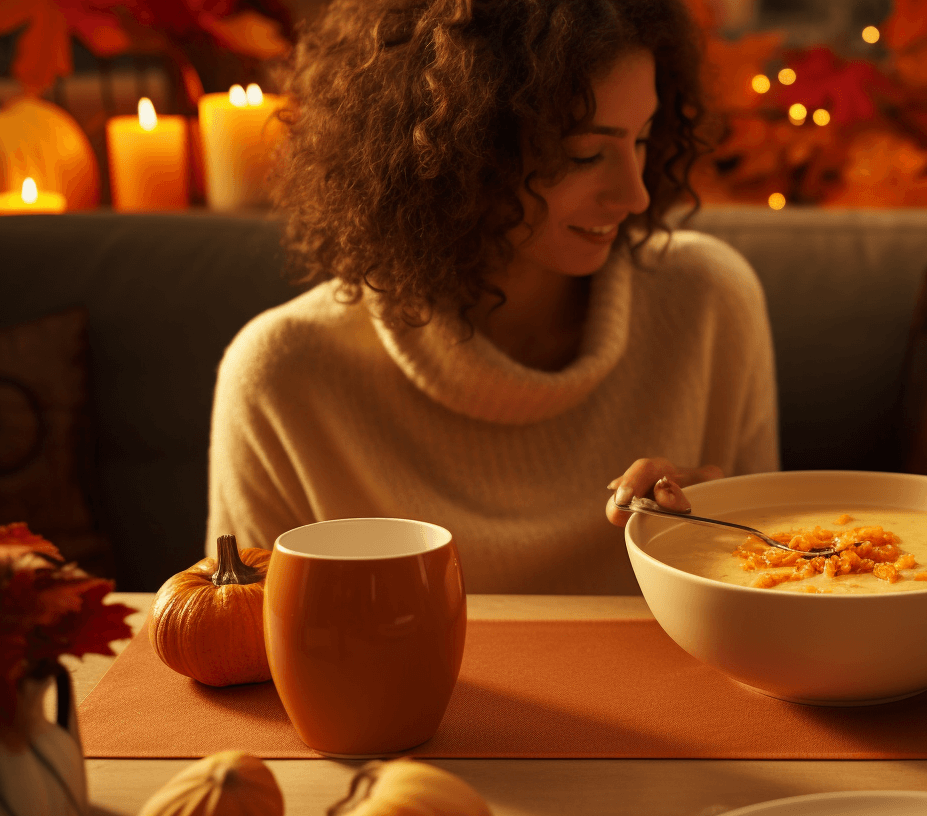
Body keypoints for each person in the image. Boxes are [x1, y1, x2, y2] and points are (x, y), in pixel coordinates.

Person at [205, 0, 779, 594]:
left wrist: (713, 534)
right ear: (464, 147)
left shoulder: (709, 303)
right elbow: (241, 646)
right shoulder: (285, 376)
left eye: (642, 139)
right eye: (584, 153)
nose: (635, 195)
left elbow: (787, 592)